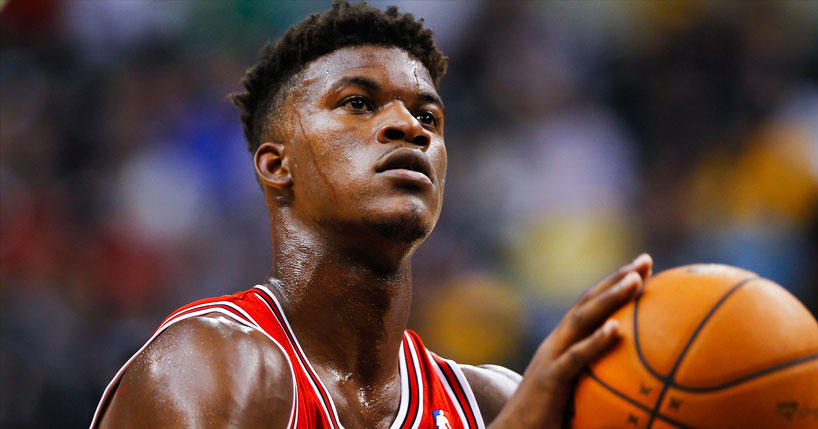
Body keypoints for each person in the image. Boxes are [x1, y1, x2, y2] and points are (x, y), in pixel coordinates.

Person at [91, 2, 652, 427]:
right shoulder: (206, 366)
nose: (409, 127)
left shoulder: (491, 402)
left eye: (429, 118)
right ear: (277, 165)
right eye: (357, 103)